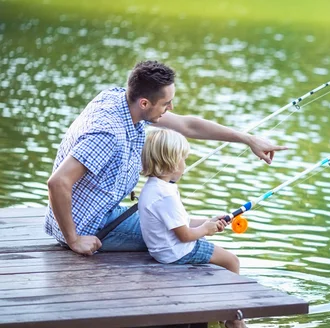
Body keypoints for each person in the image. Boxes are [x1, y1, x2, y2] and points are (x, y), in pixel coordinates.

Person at [45, 60, 285, 256]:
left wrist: (248, 139)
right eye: (166, 103)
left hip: (98, 210)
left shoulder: (121, 100)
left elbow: (188, 126)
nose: (171, 108)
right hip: (90, 226)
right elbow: (58, 182)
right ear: (145, 102)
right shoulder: (109, 134)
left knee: (174, 222)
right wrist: (74, 239)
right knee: (190, 245)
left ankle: (202, 222)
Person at [138, 128, 246, 328]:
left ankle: (223, 305)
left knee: (221, 259)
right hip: (176, 252)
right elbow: (185, 235)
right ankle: (234, 318)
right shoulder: (166, 195)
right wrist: (206, 229)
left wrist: (208, 221)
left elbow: (182, 222)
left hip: (163, 250)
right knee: (232, 261)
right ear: (171, 162)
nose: (184, 165)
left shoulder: (155, 187)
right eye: (183, 160)